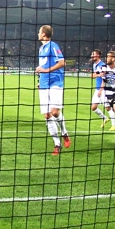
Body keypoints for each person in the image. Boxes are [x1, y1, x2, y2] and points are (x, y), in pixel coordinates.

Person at [35, 25, 70, 155]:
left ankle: (64, 133)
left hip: (55, 82)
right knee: (47, 115)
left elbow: (62, 63)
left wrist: (46, 70)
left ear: (44, 34)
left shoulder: (53, 46)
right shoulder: (41, 48)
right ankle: (57, 144)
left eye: (39, 32)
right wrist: (40, 80)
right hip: (44, 83)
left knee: (55, 112)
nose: (38, 34)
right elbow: (43, 66)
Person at [89, 49, 115, 129]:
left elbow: (103, 77)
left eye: (93, 54)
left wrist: (101, 90)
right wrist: (97, 75)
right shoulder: (95, 65)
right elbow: (93, 75)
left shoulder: (102, 65)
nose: (92, 56)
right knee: (93, 107)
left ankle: (114, 125)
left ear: (98, 55)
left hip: (103, 89)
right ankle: (105, 118)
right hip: (98, 89)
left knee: (108, 107)